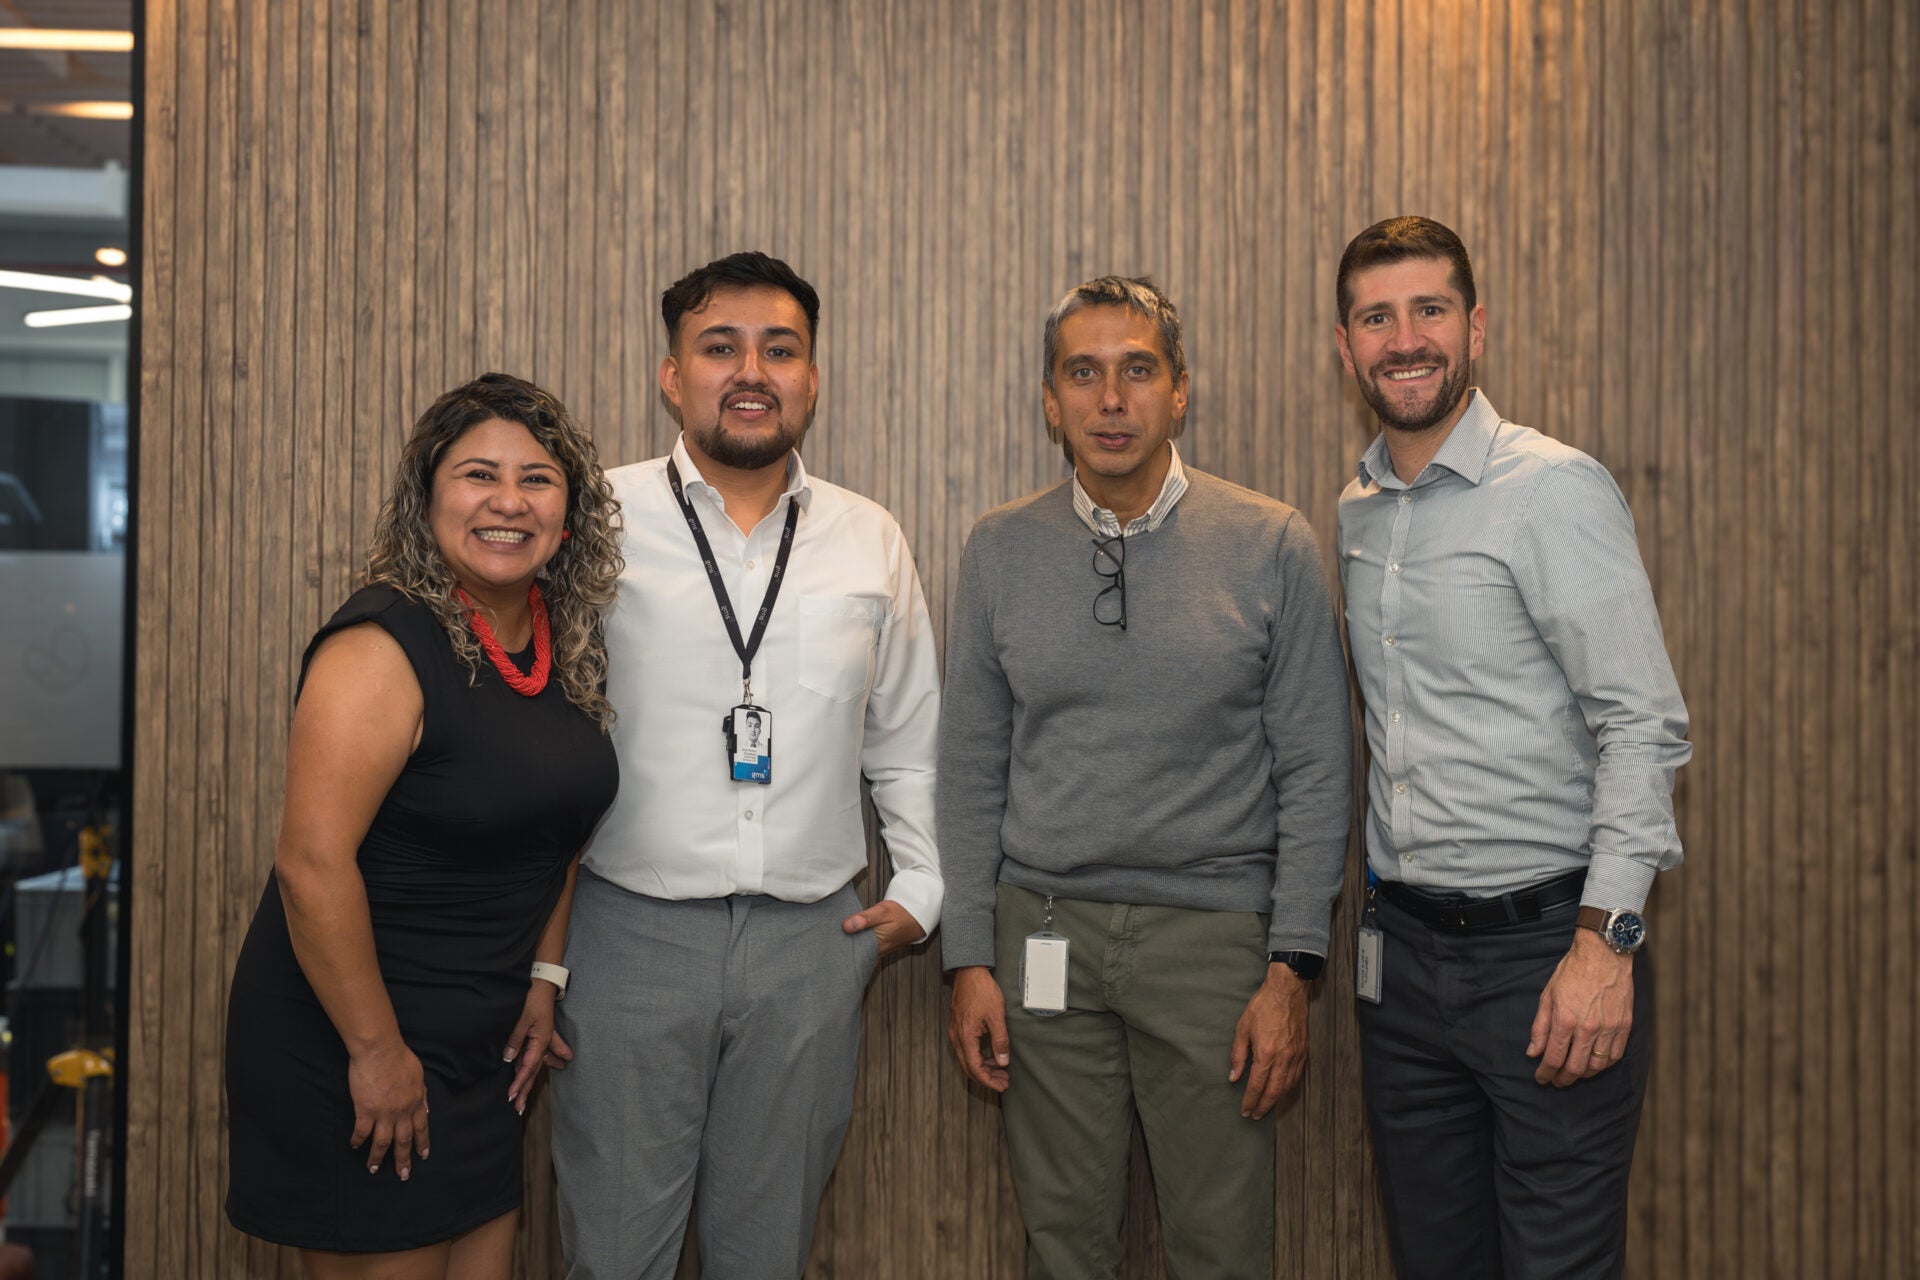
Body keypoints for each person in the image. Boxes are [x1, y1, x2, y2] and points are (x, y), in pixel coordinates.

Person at [941, 276, 1353, 1279]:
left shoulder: (1270, 542)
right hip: (1041, 933)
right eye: (1083, 373)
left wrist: (1291, 967)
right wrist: (967, 958)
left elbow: (1316, 764)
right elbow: (967, 767)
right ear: (1051, 399)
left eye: (1138, 370)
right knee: (1063, 1243)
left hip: (1213, 946)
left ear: (1180, 392)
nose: (1110, 398)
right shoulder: (999, 548)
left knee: (1221, 1245)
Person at [549, 251, 942, 1280]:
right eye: (719, 347)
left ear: (813, 376)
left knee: (767, 1254)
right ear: (672, 376)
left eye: (781, 348)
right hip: (628, 930)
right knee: (614, 1251)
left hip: (814, 944)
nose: (751, 370)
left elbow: (907, 736)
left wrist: (925, 887)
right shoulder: (594, 521)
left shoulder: (870, 537)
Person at [1331, 215, 1691, 1279]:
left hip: (1545, 959)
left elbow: (1642, 719)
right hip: (1401, 968)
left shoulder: (1552, 487)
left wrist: (1605, 943)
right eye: (1377, 316)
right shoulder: (1356, 510)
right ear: (1345, 344)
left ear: (1475, 326)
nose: (1406, 338)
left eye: (1430, 309)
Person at [224, 373, 623, 1279]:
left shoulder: (561, 643)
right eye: (479, 475)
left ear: (570, 513)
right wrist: (376, 1051)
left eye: (538, 479)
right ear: (428, 498)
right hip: (355, 1036)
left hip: (481, 1048)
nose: (509, 503)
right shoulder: (380, 645)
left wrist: (544, 976)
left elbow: (556, 828)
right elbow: (310, 864)